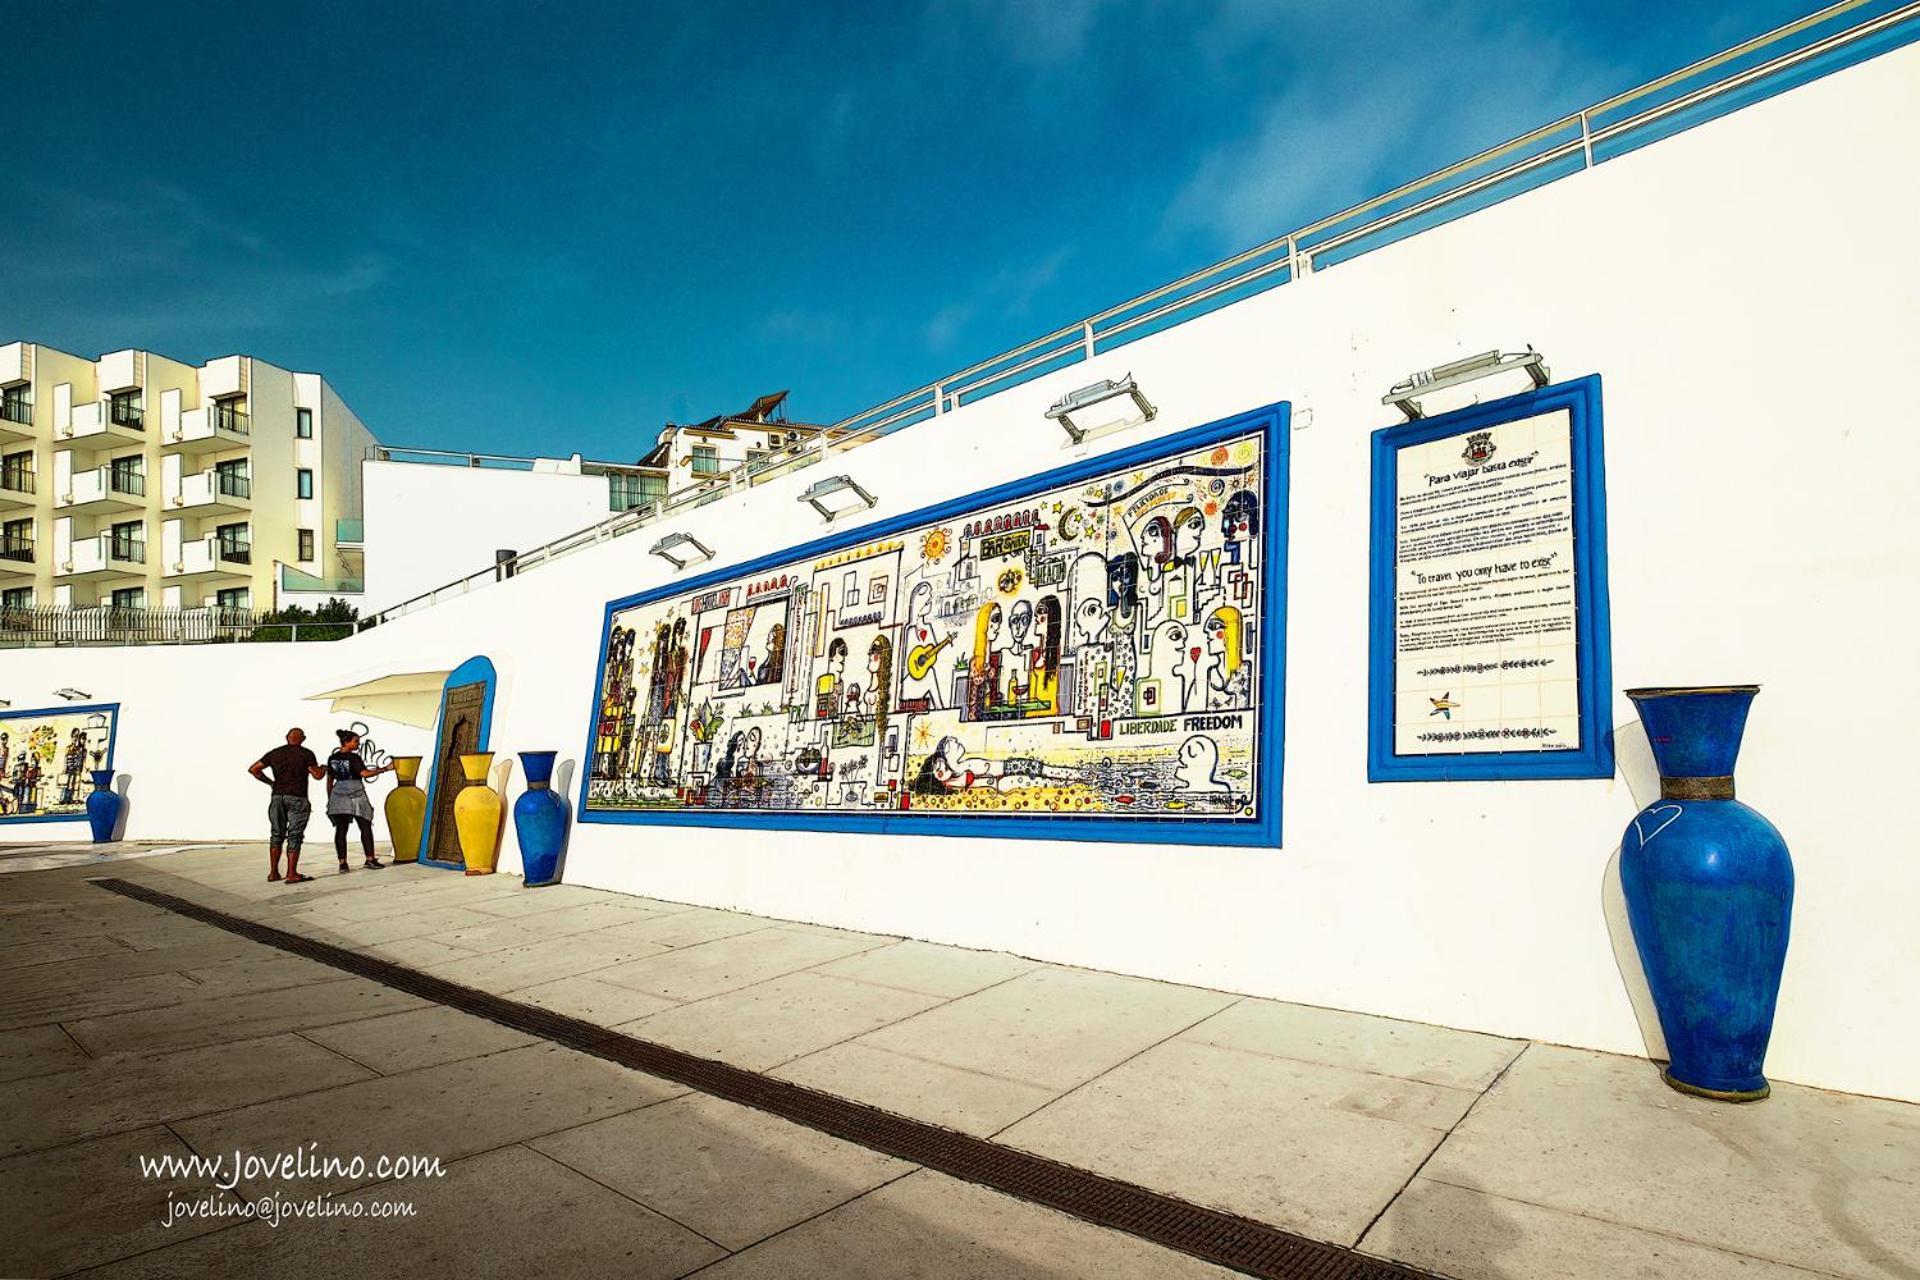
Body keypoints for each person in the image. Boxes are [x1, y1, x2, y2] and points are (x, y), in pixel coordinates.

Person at [248, 729, 326, 883]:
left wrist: (271, 783)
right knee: (294, 835)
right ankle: (291, 873)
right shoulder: (306, 754)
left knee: (276, 834)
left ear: (287, 738)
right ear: (303, 739)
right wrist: (323, 769)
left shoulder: (275, 753)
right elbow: (317, 776)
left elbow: (254, 769)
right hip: (297, 796)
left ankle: (273, 873)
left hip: (277, 797)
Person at [325, 729, 390, 872]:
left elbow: (329, 780)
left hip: (338, 794)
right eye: (356, 742)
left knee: (341, 830)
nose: (358, 745)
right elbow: (365, 773)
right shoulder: (354, 758)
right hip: (356, 794)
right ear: (346, 742)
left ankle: (343, 863)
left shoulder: (332, 758)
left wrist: (330, 798)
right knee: (365, 825)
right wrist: (384, 769)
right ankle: (370, 858)